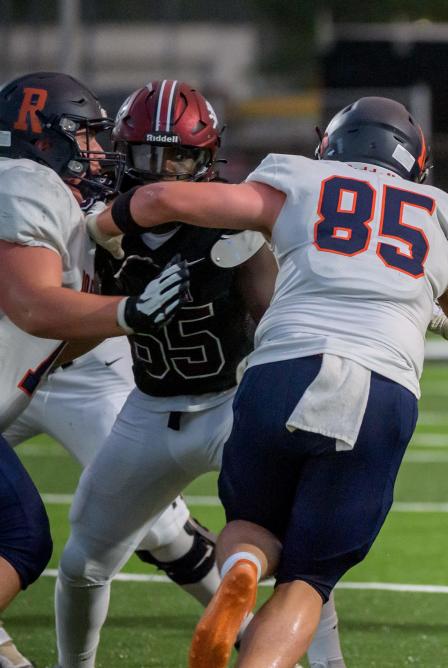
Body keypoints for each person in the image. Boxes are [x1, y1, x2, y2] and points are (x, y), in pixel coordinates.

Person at [90, 95, 448, 668]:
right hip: (379, 386)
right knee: (308, 579)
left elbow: (159, 197)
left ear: (331, 146)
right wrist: (441, 314)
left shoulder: (299, 181)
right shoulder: (436, 216)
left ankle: (241, 570)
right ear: (416, 165)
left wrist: (98, 228)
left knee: (250, 524)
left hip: (280, 369)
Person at [52, 80, 279, 668]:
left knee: (298, 553)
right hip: (147, 412)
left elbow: (274, 319)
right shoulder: (101, 230)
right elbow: (75, 339)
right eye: (150, 155)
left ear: (205, 160)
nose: (163, 170)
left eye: (178, 155)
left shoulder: (233, 225)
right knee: (81, 563)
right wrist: (124, 315)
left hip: (229, 404)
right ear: (124, 153)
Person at [0, 71, 188, 664]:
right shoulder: (26, 183)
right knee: (21, 537)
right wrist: (130, 312)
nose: (98, 152)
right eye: (85, 137)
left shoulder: (55, 202)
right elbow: (32, 306)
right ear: (45, 137)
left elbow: (56, 343)